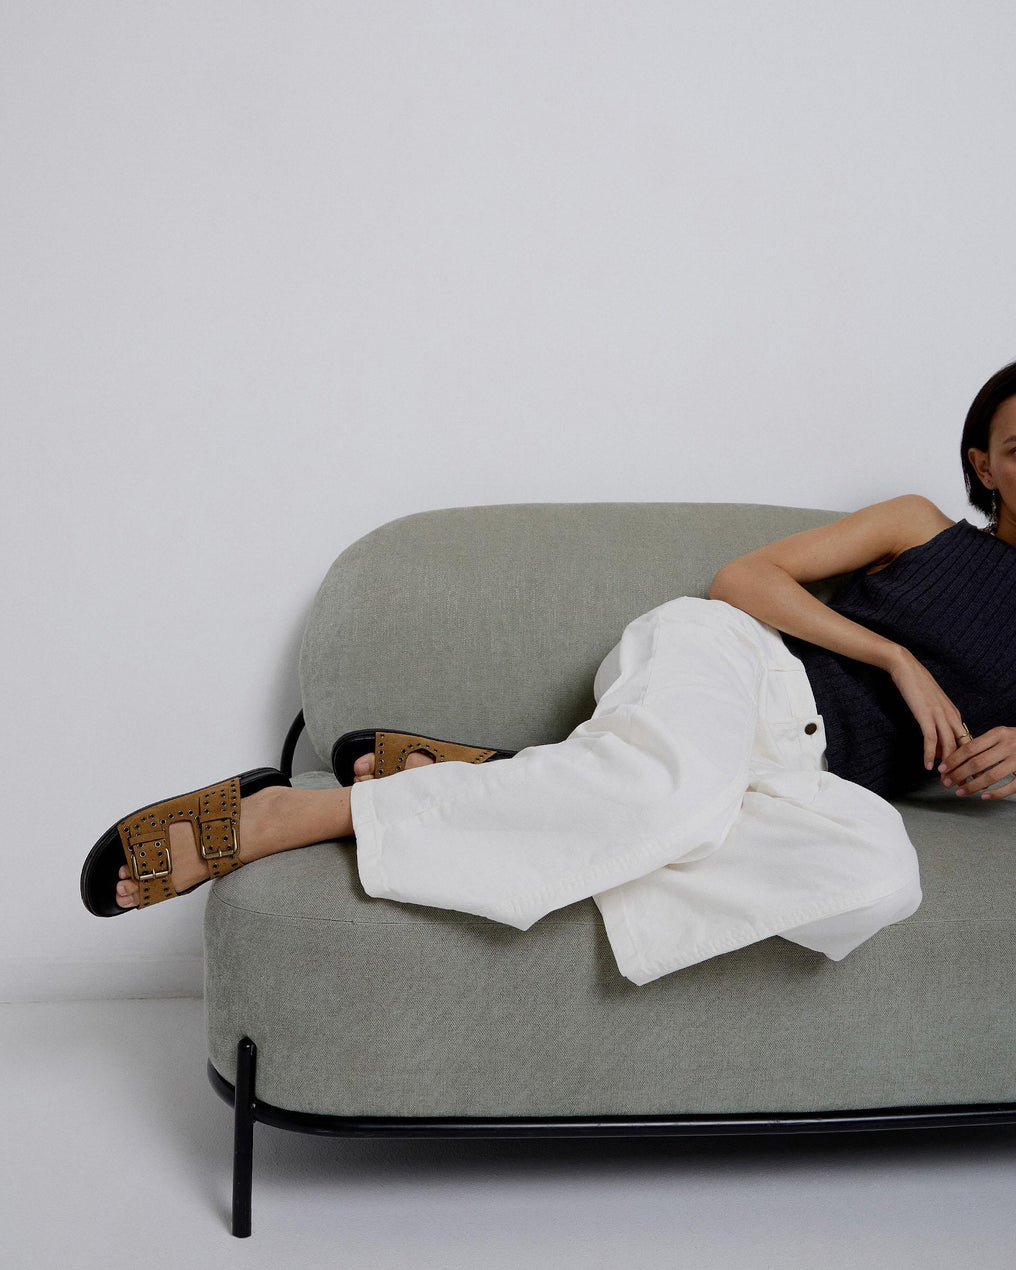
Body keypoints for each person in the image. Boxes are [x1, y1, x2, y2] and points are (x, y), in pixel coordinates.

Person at [80, 361, 1016, 985]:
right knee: (674, 798)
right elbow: (744, 580)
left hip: (803, 784)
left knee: (877, 880)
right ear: (984, 467)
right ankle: (302, 813)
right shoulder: (918, 524)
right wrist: (895, 656)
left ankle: (519, 784)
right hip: (743, 671)